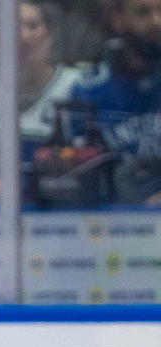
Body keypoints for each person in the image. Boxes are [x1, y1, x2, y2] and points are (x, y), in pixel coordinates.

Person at [0, 0, 82, 201]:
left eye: (32, 26)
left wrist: (25, 188)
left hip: (63, 221)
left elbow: (87, 172)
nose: (23, 36)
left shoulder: (78, 89)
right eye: (12, 26)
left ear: (51, 35)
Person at [70, 0, 161, 203]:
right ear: (118, 19)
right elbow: (76, 172)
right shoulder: (89, 87)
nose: (156, 22)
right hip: (108, 222)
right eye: (143, 13)